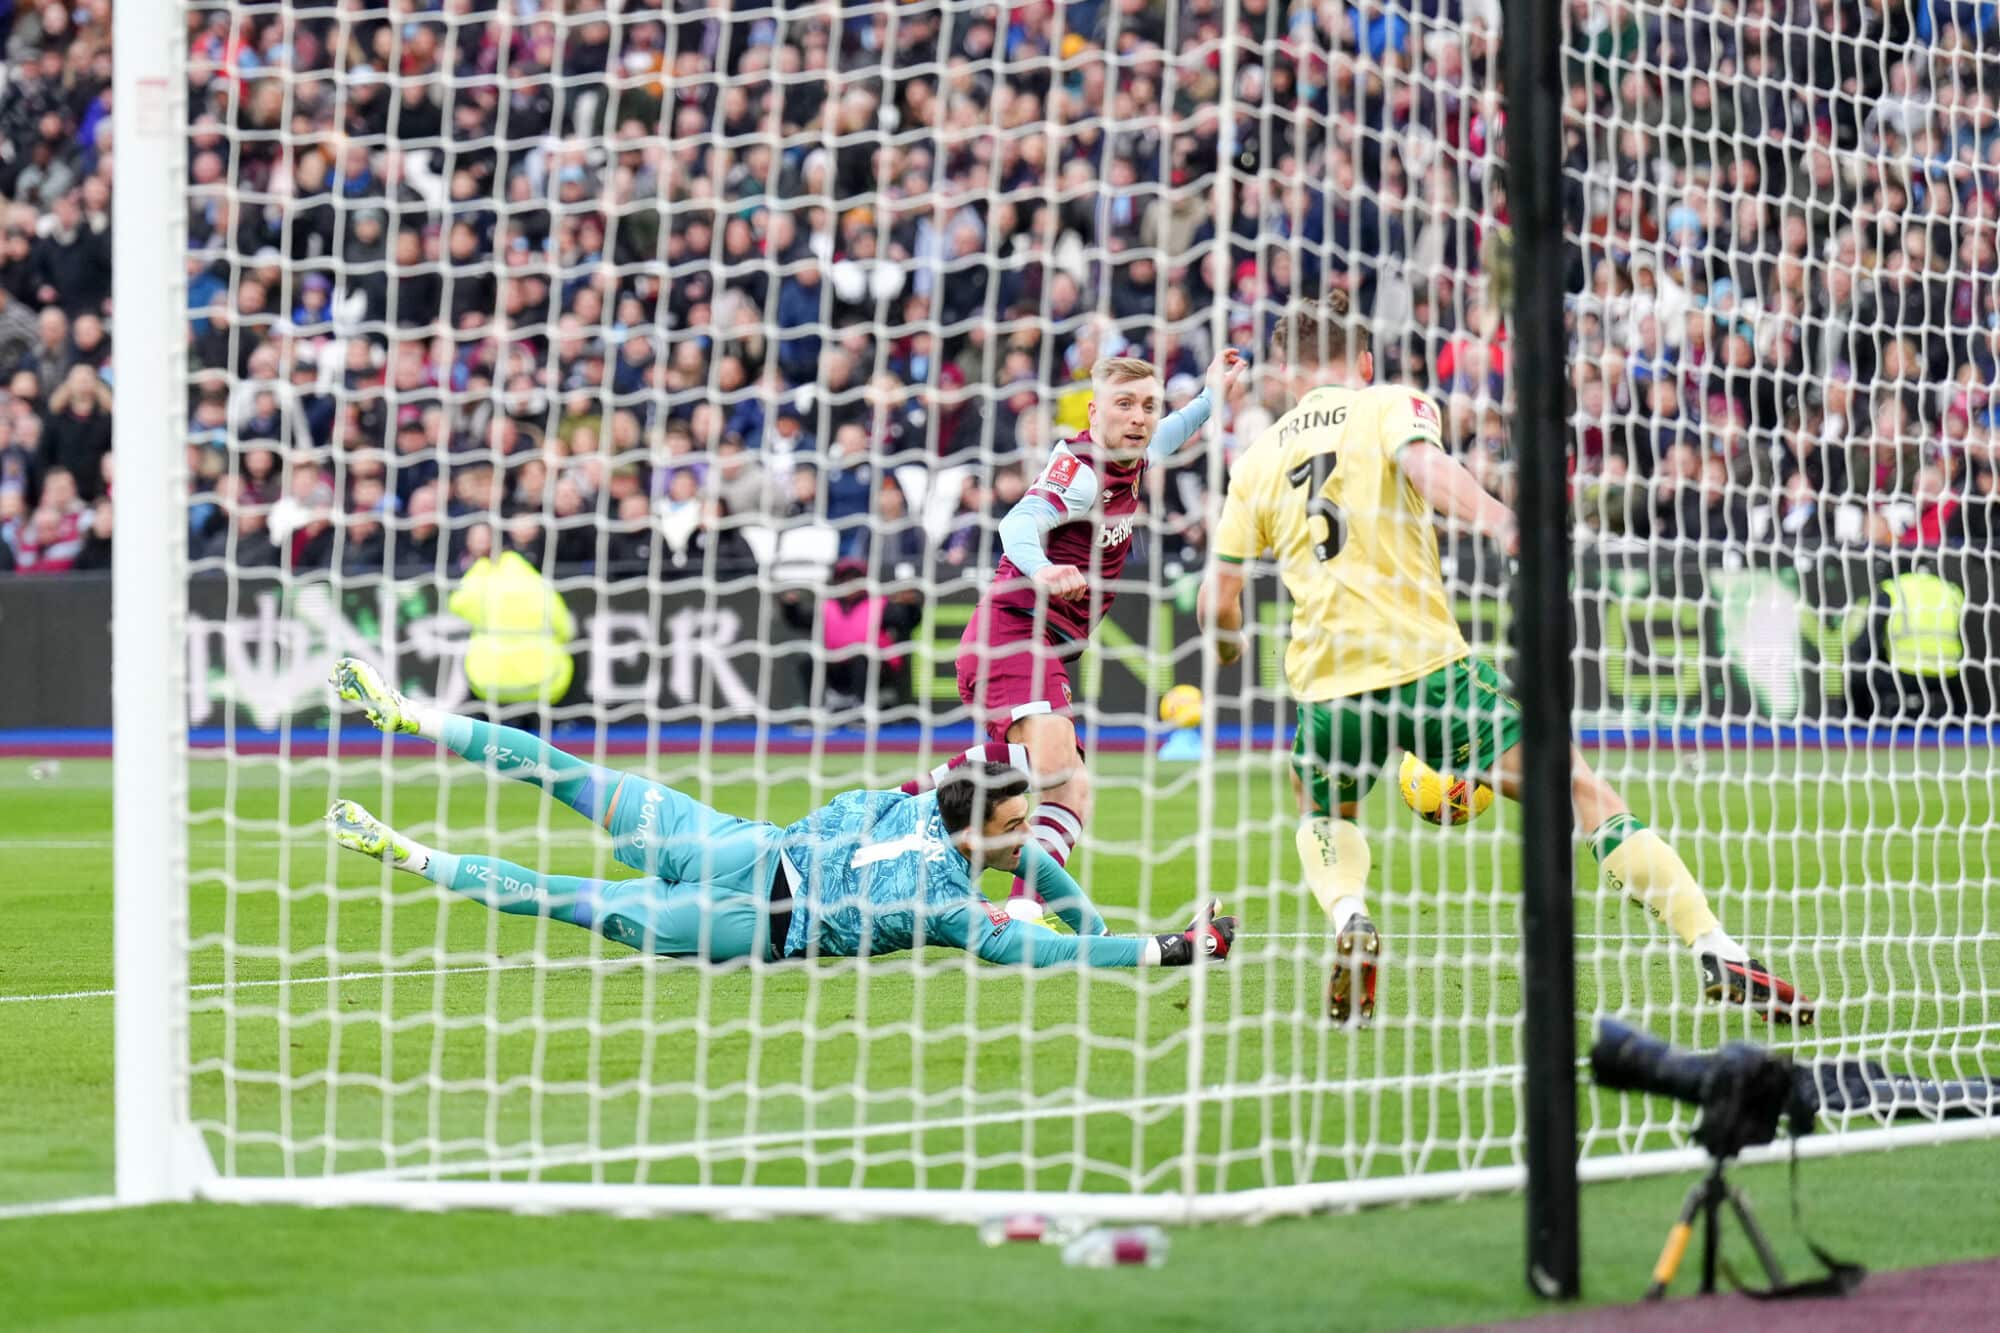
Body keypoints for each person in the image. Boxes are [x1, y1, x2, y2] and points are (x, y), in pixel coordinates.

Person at [1197, 295, 1811, 1025]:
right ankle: (1714, 944)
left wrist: (1232, 646)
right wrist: (1498, 519)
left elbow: (1219, 602)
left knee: (1321, 805)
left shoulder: (1257, 458)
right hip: (1428, 669)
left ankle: (1350, 915)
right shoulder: (1389, 402)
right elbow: (1426, 467)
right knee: (1580, 788)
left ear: (1286, 376)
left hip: (1328, 686)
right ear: (1362, 361)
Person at [326, 658, 1234, 968]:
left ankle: (413, 720)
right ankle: (409, 850)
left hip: (732, 849)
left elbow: (1040, 875)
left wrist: (1058, 890)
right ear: (992, 832)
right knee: (567, 894)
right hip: (746, 915)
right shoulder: (957, 912)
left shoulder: (911, 800)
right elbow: (1062, 939)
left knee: (569, 775)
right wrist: (1161, 947)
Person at [952, 346, 1248, 921]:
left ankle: (987, 880)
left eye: (1146, 406)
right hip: (1015, 633)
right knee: (1060, 767)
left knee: (1070, 790)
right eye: (1124, 405)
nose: (1139, 417)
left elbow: (1174, 431)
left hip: (1050, 648)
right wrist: (1042, 568)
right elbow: (1020, 520)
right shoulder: (1082, 473)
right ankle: (1021, 918)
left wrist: (1213, 394)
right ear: (1093, 412)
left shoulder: (1133, 455)